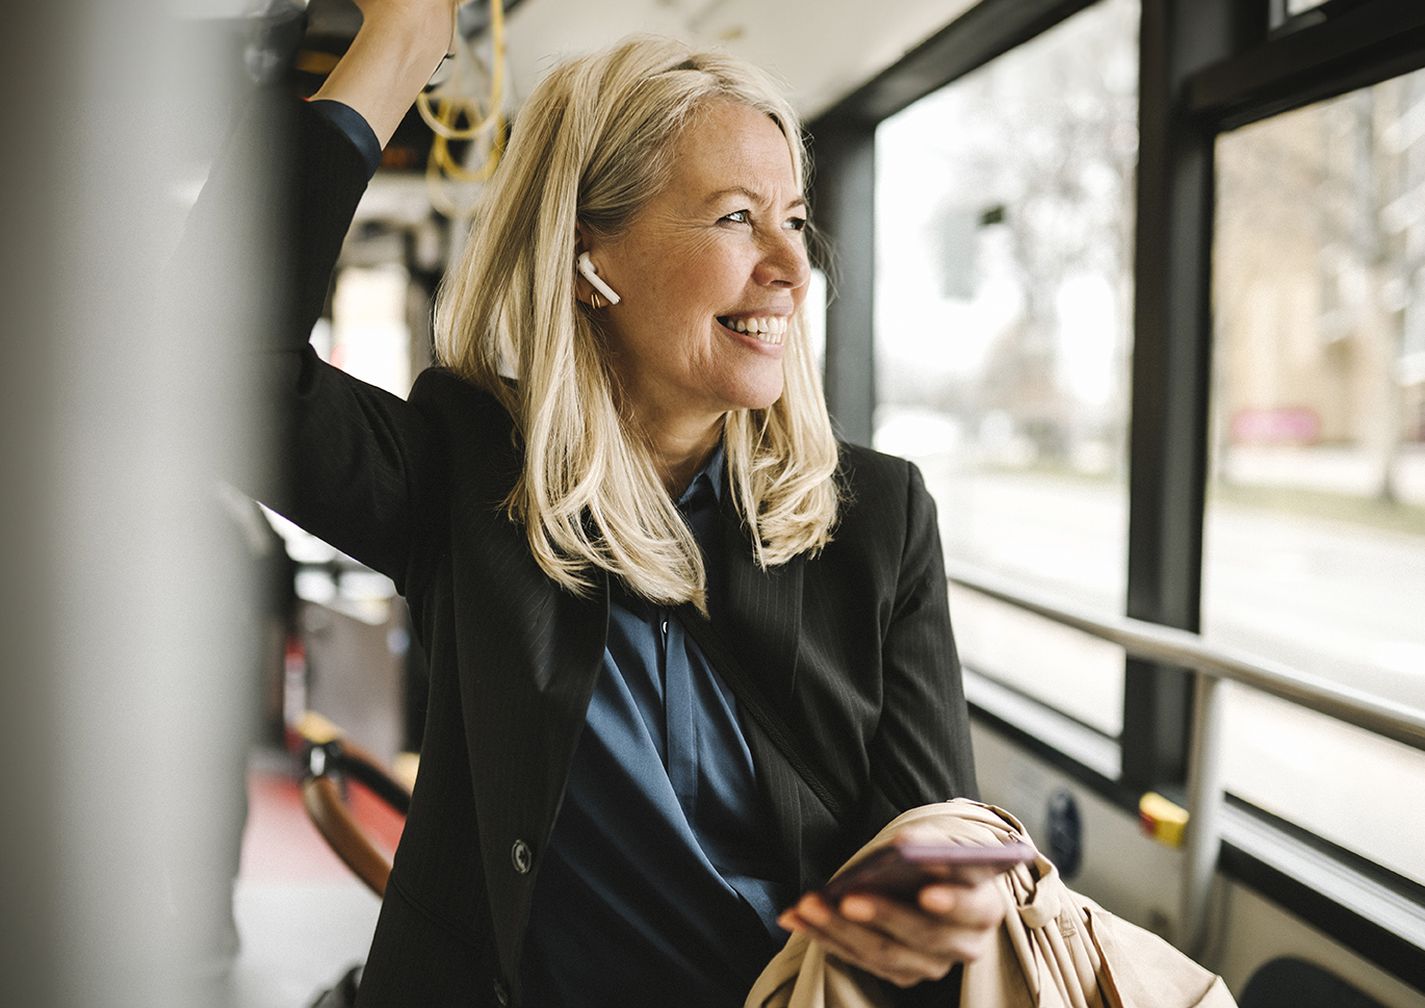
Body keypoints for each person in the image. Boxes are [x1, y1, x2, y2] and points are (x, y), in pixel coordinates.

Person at [190, 0, 1005, 1003]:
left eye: (794, 220)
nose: (793, 268)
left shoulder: (877, 520)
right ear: (589, 259)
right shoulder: (468, 474)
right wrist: (401, 41)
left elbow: (932, 839)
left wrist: (940, 899)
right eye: (736, 218)